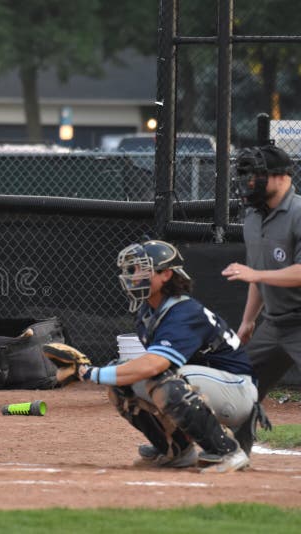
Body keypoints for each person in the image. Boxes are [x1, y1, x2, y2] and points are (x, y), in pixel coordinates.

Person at [64, 240, 261, 473]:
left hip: (237, 389)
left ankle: (226, 450)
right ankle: (174, 449)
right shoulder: (148, 313)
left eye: (140, 269)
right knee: (121, 383)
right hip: (207, 383)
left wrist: (92, 373)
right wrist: (106, 374)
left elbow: (155, 365)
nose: (132, 276)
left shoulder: (183, 311)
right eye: (131, 270)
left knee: (159, 379)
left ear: (166, 274)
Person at [222, 144, 301, 402]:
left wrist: (256, 275)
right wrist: (248, 321)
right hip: (276, 323)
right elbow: (255, 276)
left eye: (256, 175)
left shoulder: (299, 213)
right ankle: (232, 444)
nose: (249, 181)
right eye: (245, 174)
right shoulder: (253, 218)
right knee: (240, 387)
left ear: (281, 177)